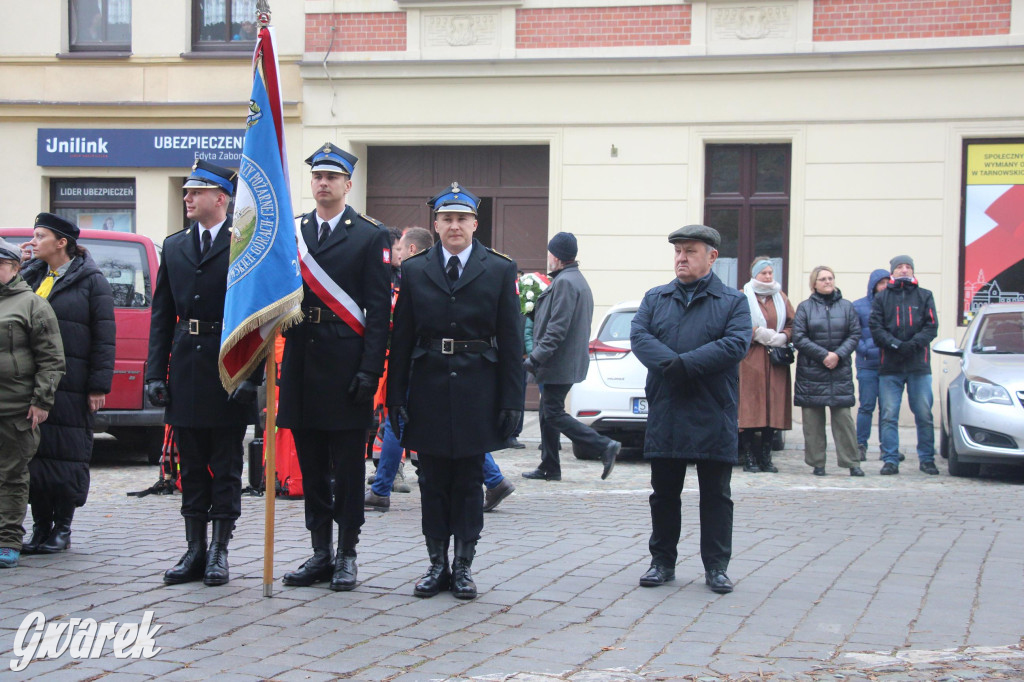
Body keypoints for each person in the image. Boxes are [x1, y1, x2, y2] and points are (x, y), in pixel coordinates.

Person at [387, 182, 522, 599]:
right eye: (446, 219)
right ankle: (435, 564)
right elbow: (402, 339)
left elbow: (512, 339)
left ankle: (463, 565)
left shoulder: (499, 269)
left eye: (462, 218)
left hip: (477, 388)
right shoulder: (414, 269)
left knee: (466, 482)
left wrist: (512, 401)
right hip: (427, 385)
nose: (454, 226)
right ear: (436, 224)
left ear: (475, 224)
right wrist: (395, 398)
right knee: (432, 481)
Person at [278, 143, 391, 591]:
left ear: (347, 184)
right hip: (303, 361)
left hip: (346, 365)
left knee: (346, 469)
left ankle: (347, 553)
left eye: (332, 177)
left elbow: (379, 311)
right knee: (310, 465)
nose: (323, 184)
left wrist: (370, 371)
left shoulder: (368, 235)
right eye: (317, 177)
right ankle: (320, 551)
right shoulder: (294, 232)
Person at [146, 160, 259, 586]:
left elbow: (256, 314)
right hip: (188, 367)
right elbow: (162, 315)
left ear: (221, 198)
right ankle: (194, 547)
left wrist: (252, 376)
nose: (187, 198)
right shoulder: (174, 246)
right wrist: (156, 373)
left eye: (196, 192)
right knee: (190, 465)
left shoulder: (244, 242)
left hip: (228, 364)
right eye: (187, 192)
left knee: (226, 465)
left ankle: (219, 549)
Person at [630, 225, 750, 594]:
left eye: (690, 251)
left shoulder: (733, 302)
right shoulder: (656, 298)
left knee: (716, 495)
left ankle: (716, 566)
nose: (681, 258)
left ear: (712, 257)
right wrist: (673, 365)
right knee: (663, 494)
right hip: (668, 409)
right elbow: (640, 337)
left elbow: (735, 344)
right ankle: (661, 562)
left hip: (713, 410)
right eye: (678, 252)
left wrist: (685, 365)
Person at [19, 213, 115, 555]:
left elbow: (104, 338)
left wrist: (98, 385)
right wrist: (19, 264)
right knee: (36, 456)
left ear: (62, 243)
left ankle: (63, 528)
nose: (34, 241)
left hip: (71, 383)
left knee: (67, 454)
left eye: (40, 236)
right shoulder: (30, 275)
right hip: (32, 383)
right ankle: (40, 526)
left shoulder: (91, 281)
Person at [523, 232, 620, 481]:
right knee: (546, 412)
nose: (548, 258)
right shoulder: (573, 279)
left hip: (558, 362)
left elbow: (558, 328)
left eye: (549, 254)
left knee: (553, 412)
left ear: (556, 256)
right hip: (563, 361)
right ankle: (550, 466)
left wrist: (535, 358)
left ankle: (604, 445)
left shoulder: (566, 282)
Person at [0, 238, 65, 569]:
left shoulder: (32, 305)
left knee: (11, 475)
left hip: (15, 408)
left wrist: (42, 401)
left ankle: (8, 539)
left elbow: (52, 359)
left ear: (14, 268)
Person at [869, 255, 939, 476]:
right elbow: (876, 327)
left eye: (908, 266)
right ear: (892, 271)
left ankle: (927, 459)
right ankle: (890, 459)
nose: (904, 270)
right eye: (900, 267)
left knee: (924, 414)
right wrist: (896, 345)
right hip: (890, 366)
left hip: (918, 365)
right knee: (889, 415)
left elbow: (931, 327)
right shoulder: (882, 298)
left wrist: (913, 345)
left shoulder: (925, 295)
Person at [792, 266, 863, 477]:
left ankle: (852, 462)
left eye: (830, 278)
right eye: (822, 279)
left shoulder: (846, 307)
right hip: (811, 372)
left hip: (838, 371)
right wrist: (823, 355)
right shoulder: (805, 308)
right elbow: (799, 337)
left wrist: (837, 355)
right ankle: (817, 463)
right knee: (813, 422)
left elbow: (854, 334)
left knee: (843, 419)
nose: (827, 282)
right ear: (814, 283)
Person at [737, 256, 794, 473]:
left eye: (770, 272)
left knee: (773, 409)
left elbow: (792, 323)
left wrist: (784, 337)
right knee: (751, 409)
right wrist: (755, 333)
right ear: (755, 274)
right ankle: (750, 457)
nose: (768, 276)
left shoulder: (780, 297)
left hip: (776, 361)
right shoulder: (743, 297)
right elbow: (736, 325)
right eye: (764, 273)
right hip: (751, 360)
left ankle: (766, 457)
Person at [853, 269, 892, 462]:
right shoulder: (859, 306)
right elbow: (854, 333)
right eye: (881, 282)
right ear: (873, 285)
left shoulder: (894, 304)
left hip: (889, 365)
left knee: (887, 409)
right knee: (866, 406)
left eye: (887, 282)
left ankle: (887, 447)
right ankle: (860, 445)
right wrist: (865, 350)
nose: (884, 286)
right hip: (867, 364)